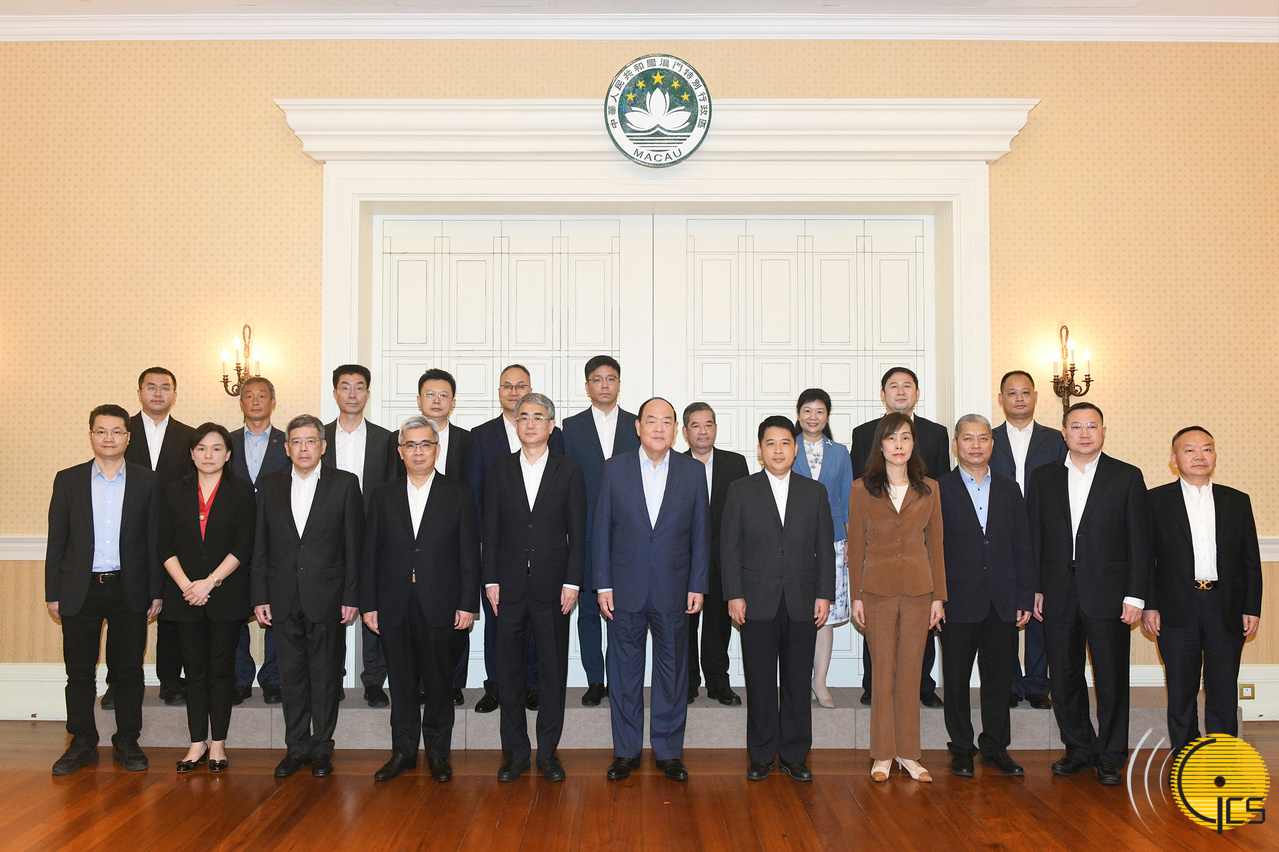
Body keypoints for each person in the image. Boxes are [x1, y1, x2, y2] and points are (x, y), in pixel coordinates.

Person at [1026, 402, 1150, 786]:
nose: (1084, 433)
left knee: (1111, 679)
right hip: (1057, 593)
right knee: (1064, 678)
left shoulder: (1127, 476)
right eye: (1076, 426)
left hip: (1110, 596)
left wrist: (1136, 596)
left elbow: (1140, 542)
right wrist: (1035, 587)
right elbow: (1034, 537)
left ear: (1103, 432)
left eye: (1092, 426)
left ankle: (1111, 755)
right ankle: (1078, 749)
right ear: (1063, 433)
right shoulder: (1043, 476)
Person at [594, 397, 710, 782]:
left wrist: (698, 584)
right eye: (651, 421)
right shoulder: (614, 469)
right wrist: (603, 583)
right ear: (638, 427)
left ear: (676, 429)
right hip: (624, 588)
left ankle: (668, 752)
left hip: (674, 588)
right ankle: (625, 752)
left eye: (666, 422)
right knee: (624, 675)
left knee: (672, 674)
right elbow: (601, 530)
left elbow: (701, 534)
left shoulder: (693, 472)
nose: (659, 428)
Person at [46, 404, 161, 775]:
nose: (109, 438)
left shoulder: (147, 481)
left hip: (130, 588)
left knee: (128, 671)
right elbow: (57, 540)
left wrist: (156, 590)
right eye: (101, 431)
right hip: (80, 589)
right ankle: (82, 742)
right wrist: (52, 592)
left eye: (116, 431)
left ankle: (127, 740)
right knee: (79, 672)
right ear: (91, 435)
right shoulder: (68, 480)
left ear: (128, 437)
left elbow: (154, 541)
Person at [362, 416, 479, 783]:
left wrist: (467, 603)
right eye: (410, 445)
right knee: (401, 683)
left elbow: (469, 554)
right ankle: (403, 752)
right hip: (394, 603)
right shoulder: (382, 495)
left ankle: (439, 755)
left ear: (437, 450)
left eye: (425, 444)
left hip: (441, 603)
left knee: (441, 684)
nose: (418, 451)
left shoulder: (458, 493)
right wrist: (369, 604)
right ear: (400, 451)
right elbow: (370, 554)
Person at [721, 416, 834, 782]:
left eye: (785, 443)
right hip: (756, 601)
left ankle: (795, 755)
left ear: (795, 448)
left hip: (803, 600)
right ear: (760, 450)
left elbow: (825, 549)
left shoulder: (814, 492)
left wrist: (825, 594)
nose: (778, 450)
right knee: (760, 681)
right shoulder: (741, 490)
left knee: (798, 682)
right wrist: (734, 594)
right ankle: (761, 754)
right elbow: (730, 547)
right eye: (770, 443)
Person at [251, 414, 364, 779]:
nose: (303, 448)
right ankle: (296, 747)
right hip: (282, 596)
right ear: (287, 448)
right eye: (296, 442)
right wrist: (260, 595)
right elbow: (260, 545)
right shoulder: (269, 485)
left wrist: (352, 596)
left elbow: (354, 545)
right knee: (291, 676)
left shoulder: (345, 484)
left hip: (328, 595)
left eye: (310, 441)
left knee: (326, 676)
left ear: (323, 446)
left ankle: (322, 748)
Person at [484, 394, 587, 781]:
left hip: (554, 588)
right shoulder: (499, 470)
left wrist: (573, 581)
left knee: (552, 673)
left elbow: (578, 532)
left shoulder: (569, 470)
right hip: (508, 587)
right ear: (515, 424)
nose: (530, 423)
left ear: (551, 425)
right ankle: (514, 754)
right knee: (509, 674)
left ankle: (547, 753)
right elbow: (490, 528)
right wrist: (490, 578)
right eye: (523, 417)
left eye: (538, 417)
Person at [1143, 426, 1263, 755]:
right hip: (1175, 608)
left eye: (1207, 449)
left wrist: (1251, 607)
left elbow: (1250, 560)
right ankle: (1186, 757)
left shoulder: (1237, 501)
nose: (1199, 456)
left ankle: (1222, 757)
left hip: (1225, 606)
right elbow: (1145, 559)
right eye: (1190, 450)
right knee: (1181, 689)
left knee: (1223, 688)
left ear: (1215, 456)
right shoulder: (1155, 500)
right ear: (1174, 459)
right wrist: (1150, 605)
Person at [848, 412, 946, 783]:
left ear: (913, 443)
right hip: (876, 590)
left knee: (910, 673)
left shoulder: (930, 488)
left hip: (920, 590)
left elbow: (936, 545)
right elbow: (856, 546)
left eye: (905, 437)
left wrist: (939, 597)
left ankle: (909, 754)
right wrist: (856, 596)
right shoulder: (861, 489)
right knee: (882, 673)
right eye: (891, 438)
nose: (899, 445)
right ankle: (883, 754)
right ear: (881, 445)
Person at [937, 415, 1034, 778]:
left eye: (982, 438)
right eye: (968, 438)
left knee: (998, 680)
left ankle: (996, 747)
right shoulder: (938, 488)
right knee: (956, 680)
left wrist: (1024, 596)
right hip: (957, 600)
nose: (975, 445)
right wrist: (936, 598)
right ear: (955, 445)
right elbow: (931, 549)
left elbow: (1022, 545)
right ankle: (962, 748)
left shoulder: (1010, 488)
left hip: (1002, 600)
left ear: (993, 445)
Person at [156, 423, 256, 773]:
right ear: (191, 453)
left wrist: (209, 583)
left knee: (221, 672)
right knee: (195, 673)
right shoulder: (174, 491)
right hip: (184, 596)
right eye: (201, 448)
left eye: (216, 448)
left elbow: (243, 546)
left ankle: (218, 745)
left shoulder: (241, 491)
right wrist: (189, 586)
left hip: (225, 595)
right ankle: (197, 742)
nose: (208, 455)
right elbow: (164, 545)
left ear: (228, 455)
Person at [464, 364, 563, 714]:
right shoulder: (480, 436)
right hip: (500, 551)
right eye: (507, 385)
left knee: (537, 625)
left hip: (542, 553)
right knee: (497, 621)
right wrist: (485, 545)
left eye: (521, 385)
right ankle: (496, 686)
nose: (514, 391)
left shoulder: (553, 433)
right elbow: (477, 495)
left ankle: (532, 685)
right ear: (499, 392)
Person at [849, 367, 948, 708]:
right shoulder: (863, 436)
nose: (899, 445)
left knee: (915, 651)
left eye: (908, 386)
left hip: (918, 566)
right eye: (894, 386)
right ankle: (872, 686)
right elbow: (859, 520)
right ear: (883, 393)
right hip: (878, 569)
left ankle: (923, 685)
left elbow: (939, 498)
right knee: (879, 650)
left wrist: (939, 595)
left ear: (917, 393)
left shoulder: (935, 436)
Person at [391, 368, 473, 706]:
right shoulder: (399, 441)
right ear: (419, 399)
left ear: (453, 401)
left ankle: (452, 685)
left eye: (443, 395)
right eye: (430, 394)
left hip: (451, 549)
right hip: (406, 560)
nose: (436, 400)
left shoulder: (469, 440)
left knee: (453, 632)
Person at [561, 355, 639, 707]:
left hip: (629, 534)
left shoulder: (637, 424)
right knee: (590, 610)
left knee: (624, 612)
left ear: (619, 384)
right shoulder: (570, 427)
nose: (604, 385)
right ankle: (595, 680)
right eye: (597, 379)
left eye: (610, 378)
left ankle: (620, 680)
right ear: (587, 385)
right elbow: (564, 481)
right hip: (586, 531)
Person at [118, 367, 194, 709]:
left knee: (172, 609)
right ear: (139, 393)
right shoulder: (122, 431)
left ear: (174, 394)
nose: (158, 393)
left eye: (165, 387)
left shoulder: (189, 436)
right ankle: (119, 683)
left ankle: (170, 680)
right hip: (129, 535)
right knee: (126, 612)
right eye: (151, 387)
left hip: (175, 536)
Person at [991, 370, 1065, 711]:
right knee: (1003, 609)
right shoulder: (987, 439)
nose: (1019, 398)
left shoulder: (1056, 440)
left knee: (1039, 608)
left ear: (1035, 397)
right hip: (998, 535)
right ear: (1001, 399)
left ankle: (1037, 683)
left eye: (1025, 392)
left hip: (1044, 534)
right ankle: (1008, 682)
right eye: (1011, 393)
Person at [321, 364, 395, 709]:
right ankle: (331, 678)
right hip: (328, 537)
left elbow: (393, 490)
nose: (352, 393)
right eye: (345, 387)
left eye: (359, 387)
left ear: (368, 393)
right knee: (329, 608)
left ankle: (374, 680)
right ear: (335, 392)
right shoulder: (318, 436)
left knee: (374, 606)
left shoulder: (385, 439)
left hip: (373, 535)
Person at [682, 402, 749, 707]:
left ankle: (718, 682)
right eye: (696, 425)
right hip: (684, 559)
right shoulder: (674, 463)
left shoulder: (735, 464)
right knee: (684, 625)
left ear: (716, 429)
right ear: (685, 432)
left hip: (725, 557)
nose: (703, 431)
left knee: (719, 624)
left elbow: (746, 512)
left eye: (708, 424)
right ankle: (686, 683)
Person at [791, 388, 853, 709]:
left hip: (833, 540)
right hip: (793, 540)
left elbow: (847, 499)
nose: (813, 417)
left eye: (819, 411)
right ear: (798, 414)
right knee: (795, 611)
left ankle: (820, 682)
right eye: (807, 410)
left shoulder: (840, 452)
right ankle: (797, 680)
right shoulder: (787, 446)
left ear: (827, 416)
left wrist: (850, 541)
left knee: (824, 616)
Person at [230, 376, 289, 705]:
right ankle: (239, 677)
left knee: (277, 608)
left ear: (273, 402)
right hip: (234, 541)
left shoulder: (288, 442)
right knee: (235, 610)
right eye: (249, 396)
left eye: (262, 396)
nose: (255, 401)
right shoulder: (224, 442)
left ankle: (274, 678)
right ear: (241, 403)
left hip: (276, 540)